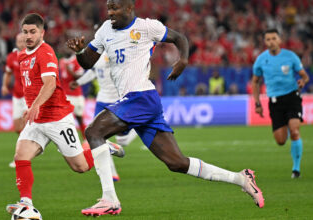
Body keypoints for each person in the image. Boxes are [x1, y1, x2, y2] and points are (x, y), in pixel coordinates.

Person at [67, 0, 264, 216]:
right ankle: (241, 179)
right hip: (137, 102)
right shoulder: (105, 30)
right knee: (176, 163)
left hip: (141, 96)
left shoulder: (147, 27)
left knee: (94, 131)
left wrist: (183, 59)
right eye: (108, 8)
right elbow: (88, 62)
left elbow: (179, 38)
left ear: (129, 8)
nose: (110, 12)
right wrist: (79, 52)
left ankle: (110, 198)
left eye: (115, 8)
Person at [5, 13, 125, 216]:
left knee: (80, 166)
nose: (28, 36)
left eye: (33, 32)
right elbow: (31, 86)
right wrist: (31, 107)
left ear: (42, 33)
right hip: (37, 119)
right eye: (25, 32)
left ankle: (102, 148)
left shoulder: (46, 53)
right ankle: (26, 203)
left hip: (57, 118)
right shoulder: (22, 55)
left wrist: (34, 106)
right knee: (21, 155)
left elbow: (50, 84)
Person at [70, 52, 138, 181]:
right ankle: (112, 173)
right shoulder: (97, 53)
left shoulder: (119, 50)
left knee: (123, 141)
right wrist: (78, 82)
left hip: (119, 101)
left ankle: (137, 126)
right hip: (102, 101)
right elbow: (93, 72)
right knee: (97, 137)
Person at [252, 29, 310, 179]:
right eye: (268, 39)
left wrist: (302, 81)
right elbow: (255, 81)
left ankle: (296, 169)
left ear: (279, 40)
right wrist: (257, 103)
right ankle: (291, 129)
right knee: (281, 140)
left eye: (273, 38)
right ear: (265, 42)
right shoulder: (261, 59)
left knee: (295, 131)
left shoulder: (290, 56)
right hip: (275, 102)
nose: (271, 41)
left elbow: (305, 76)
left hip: (292, 97)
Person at [1, 33, 27, 168]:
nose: (21, 43)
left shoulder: (31, 55)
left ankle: (21, 158)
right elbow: (8, 73)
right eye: (19, 41)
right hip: (17, 96)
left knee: (26, 128)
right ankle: (28, 149)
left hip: (29, 97)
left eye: (23, 40)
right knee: (18, 128)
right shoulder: (11, 57)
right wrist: (4, 85)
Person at [59, 47, 87, 139]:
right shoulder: (61, 61)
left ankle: (85, 138)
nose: (65, 50)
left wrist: (70, 71)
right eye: (64, 48)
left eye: (68, 48)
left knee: (79, 118)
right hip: (65, 95)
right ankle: (71, 140)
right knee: (66, 120)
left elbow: (79, 76)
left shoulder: (76, 60)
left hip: (76, 95)